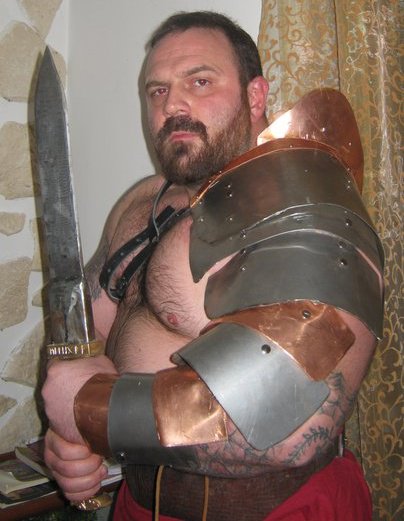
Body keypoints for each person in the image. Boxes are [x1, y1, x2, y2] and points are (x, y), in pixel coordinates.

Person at [41, 11, 383, 521]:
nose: (172, 105)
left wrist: (90, 410)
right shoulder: (139, 203)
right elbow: (85, 339)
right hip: (140, 503)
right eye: (157, 91)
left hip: (281, 510)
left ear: (255, 96)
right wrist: (69, 442)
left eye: (199, 81)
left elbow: (287, 428)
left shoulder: (310, 207)